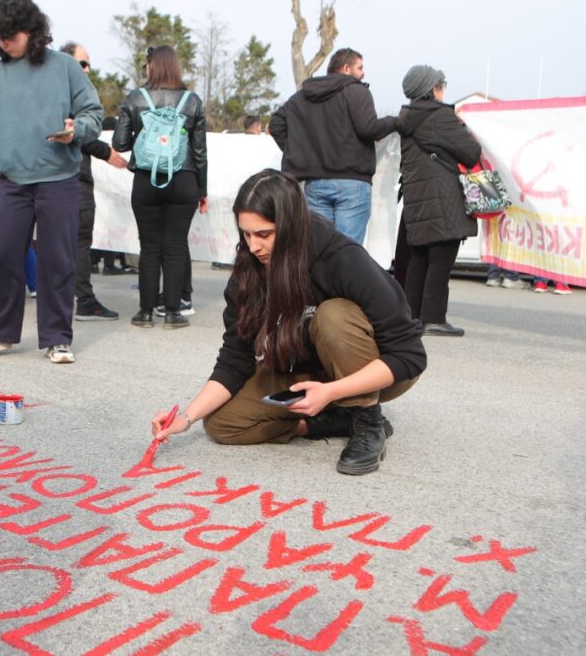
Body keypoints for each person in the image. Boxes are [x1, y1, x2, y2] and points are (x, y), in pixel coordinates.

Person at [150, 170, 425, 476]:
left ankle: (366, 420)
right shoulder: (249, 271)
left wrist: (332, 391)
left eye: (264, 234)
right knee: (221, 424)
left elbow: (409, 355)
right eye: (246, 234)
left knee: (333, 315)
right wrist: (185, 419)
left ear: (292, 225)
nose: (253, 246)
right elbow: (235, 359)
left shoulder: (341, 258)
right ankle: (331, 421)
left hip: (373, 366)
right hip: (307, 371)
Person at [0, 0, 103, 363]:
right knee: (1, 255)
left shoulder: (65, 67)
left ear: (31, 30)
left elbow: (92, 113)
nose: (3, 43)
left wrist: (76, 131)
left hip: (59, 177)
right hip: (11, 180)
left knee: (58, 259)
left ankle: (57, 337)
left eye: (10, 35)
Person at [112, 44, 207, 330]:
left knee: (149, 246)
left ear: (151, 66)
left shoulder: (135, 98)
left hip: (146, 179)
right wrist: (202, 190)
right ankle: (174, 313)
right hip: (184, 180)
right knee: (176, 246)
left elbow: (120, 143)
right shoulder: (192, 101)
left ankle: (145, 312)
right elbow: (200, 151)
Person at [269, 47, 396, 244]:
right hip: (352, 182)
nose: (364, 73)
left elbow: (275, 124)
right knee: (348, 252)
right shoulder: (356, 91)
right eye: (360, 67)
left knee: (319, 250)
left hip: (316, 183)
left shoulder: (304, 96)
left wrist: (301, 152)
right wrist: (394, 122)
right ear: (346, 68)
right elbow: (369, 128)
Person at [395, 65, 482, 337]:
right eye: (442, 85)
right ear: (432, 90)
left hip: (418, 200)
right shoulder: (440, 118)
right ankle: (434, 318)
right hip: (442, 199)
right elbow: (470, 153)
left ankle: (414, 318)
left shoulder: (407, 117)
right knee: (441, 260)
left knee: (419, 258)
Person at [59, 41, 128, 322]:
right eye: (83, 63)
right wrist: (106, 152)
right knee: (78, 242)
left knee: (64, 242)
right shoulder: (69, 95)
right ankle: (84, 301)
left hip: (62, 177)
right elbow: (77, 134)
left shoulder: (60, 93)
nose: (87, 69)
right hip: (73, 178)